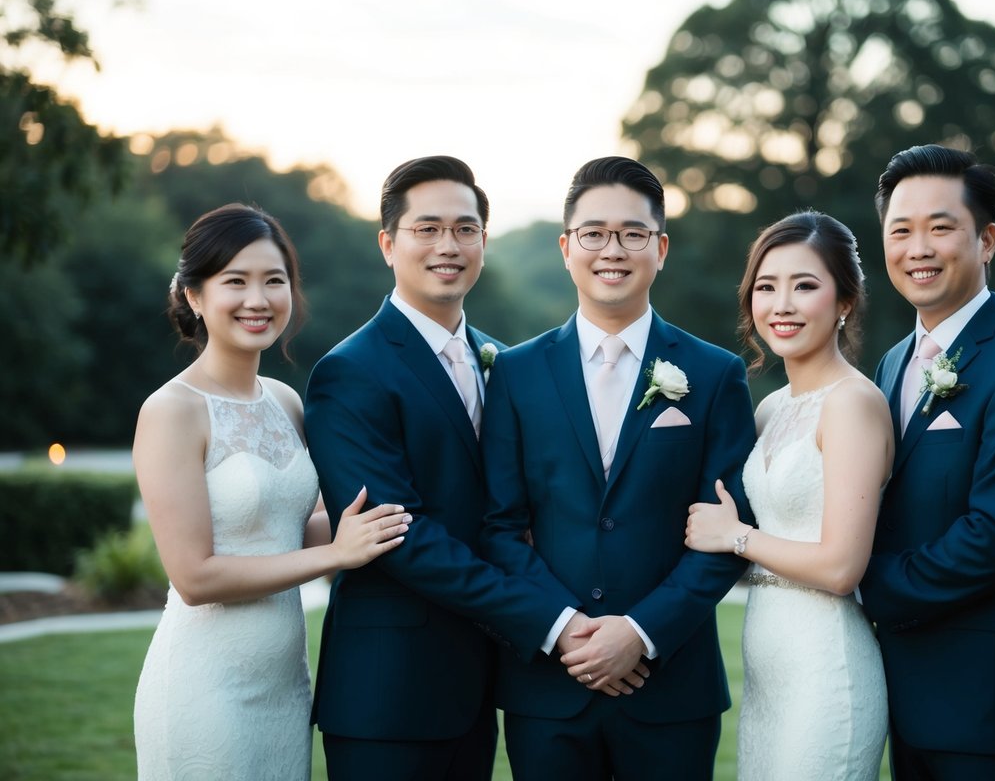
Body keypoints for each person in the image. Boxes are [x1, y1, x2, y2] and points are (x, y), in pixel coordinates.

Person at [303, 156, 613, 781]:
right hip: (388, 691)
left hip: (478, 686)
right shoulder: (350, 372)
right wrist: (551, 622)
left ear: (482, 241)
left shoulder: (497, 357)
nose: (449, 245)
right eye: (428, 228)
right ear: (389, 243)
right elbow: (399, 535)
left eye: (465, 229)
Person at [479, 156, 757, 780]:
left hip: (670, 686)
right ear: (566, 248)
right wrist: (567, 630)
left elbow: (731, 528)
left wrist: (640, 630)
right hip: (548, 687)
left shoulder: (714, 375)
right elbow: (499, 525)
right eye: (594, 233)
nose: (614, 249)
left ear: (660, 248)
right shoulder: (516, 374)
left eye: (633, 234)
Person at [133, 203, 411, 780]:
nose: (257, 299)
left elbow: (287, 529)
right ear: (194, 295)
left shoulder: (284, 400)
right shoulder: (171, 411)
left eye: (273, 280)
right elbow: (195, 577)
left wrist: (385, 509)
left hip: (284, 687)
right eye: (234, 281)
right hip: (205, 687)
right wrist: (336, 554)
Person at [859, 144, 995, 780]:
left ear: (986, 241)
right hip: (904, 694)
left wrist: (856, 580)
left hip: (994, 705)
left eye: (940, 227)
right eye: (900, 230)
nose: (917, 248)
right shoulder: (893, 362)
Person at [684, 211, 892, 779]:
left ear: (845, 300)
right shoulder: (771, 409)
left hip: (826, 666)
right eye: (766, 287)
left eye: (805, 286)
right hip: (770, 672)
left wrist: (737, 537)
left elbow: (842, 566)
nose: (782, 305)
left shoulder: (853, 403)